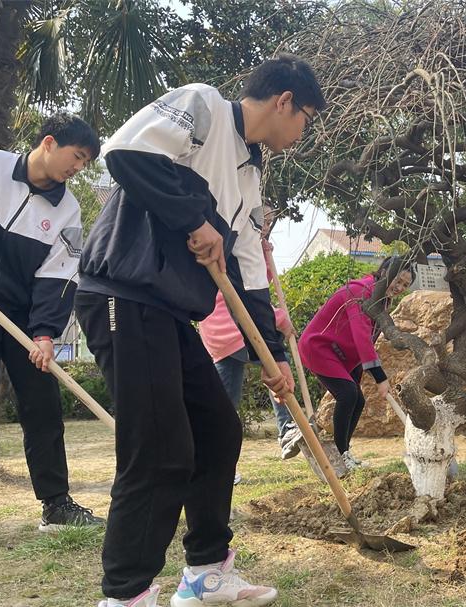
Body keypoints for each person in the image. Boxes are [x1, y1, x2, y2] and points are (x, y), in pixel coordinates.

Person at [74, 54, 325, 607]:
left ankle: (207, 572)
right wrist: (194, 218)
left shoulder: (250, 172)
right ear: (284, 101)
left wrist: (272, 357)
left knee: (218, 432)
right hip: (123, 295)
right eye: (305, 117)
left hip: (168, 314)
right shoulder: (203, 107)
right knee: (160, 451)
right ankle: (125, 594)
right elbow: (126, 152)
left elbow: (248, 271)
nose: (301, 133)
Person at [0, 114, 105, 552]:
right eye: (77, 157)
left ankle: (56, 504)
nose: (78, 168)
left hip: (25, 318)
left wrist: (45, 333)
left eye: (85, 163)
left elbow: (59, 275)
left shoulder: (67, 210)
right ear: (49, 143)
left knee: (43, 408)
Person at [297, 256, 415, 474]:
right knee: (348, 395)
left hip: (341, 353)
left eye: (405, 285)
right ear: (384, 272)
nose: (399, 287)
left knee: (357, 399)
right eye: (397, 280)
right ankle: (341, 456)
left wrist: (364, 370)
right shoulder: (360, 293)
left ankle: (344, 453)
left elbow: (367, 339)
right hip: (319, 347)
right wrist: (380, 376)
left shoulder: (381, 301)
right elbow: (361, 336)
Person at [199, 239, 301, 477]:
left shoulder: (240, 239)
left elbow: (258, 283)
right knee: (276, 367)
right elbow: (250, 295)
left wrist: (263, 256)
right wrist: (282, 319)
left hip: (219, 337)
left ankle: (219, 463)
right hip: (234, 328)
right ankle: (286, 427)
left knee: (224, 407)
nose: (264, 225)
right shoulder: (229, 243)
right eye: (262, 221)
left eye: (267, 220)